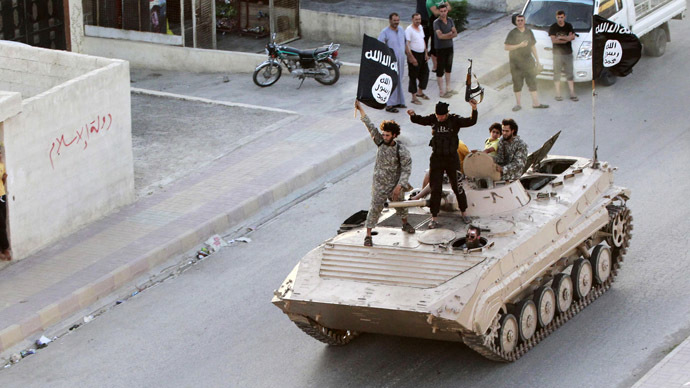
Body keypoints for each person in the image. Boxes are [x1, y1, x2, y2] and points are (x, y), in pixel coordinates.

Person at [408, 100, 477, 227]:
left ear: (447, 114)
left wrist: (474, 108)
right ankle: (434, 217)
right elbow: (421, 120)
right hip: (437, 158)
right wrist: (412, 115)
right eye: (438, 115)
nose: (439, 118)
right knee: (435, 188)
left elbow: (471, 121)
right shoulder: (433, 119)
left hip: (452, 159)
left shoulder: (454, 120)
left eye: (442, 116)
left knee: (458, 186)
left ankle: (464, 212)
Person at [355, 100, 415, 247]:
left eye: (387, 135)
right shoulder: (380, 142)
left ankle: (405, 224)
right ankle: (368, 235)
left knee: (400, 206)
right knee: (375, 207)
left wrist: (400, 186)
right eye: (383, 134)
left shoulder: (400, 150)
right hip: (380, 184)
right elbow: (369, 125)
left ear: (394, 135)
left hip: (394, 184)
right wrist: (360, 108)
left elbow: (407, 168)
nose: (384, 137)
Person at [504, 14, 549, 111]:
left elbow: (533, 46)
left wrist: (538, 60)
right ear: (515, 22)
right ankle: (518, 104)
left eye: (522, 20)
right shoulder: (512, 33)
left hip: (529, 61)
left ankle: (536, 103)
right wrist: (519, 45)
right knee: (517, 83)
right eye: (518, 20)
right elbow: (506, 47)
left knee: (532, 82)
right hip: (515, 63)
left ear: (524, 21)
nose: (520, 22)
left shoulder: (529, 32)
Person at [379, 13, 408, 113]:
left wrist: (411, 57)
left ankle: (399, 101)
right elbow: (380, 47)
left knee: (399, 80)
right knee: (391, 82)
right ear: (390, 20)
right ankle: (389, 104)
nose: (396, 22)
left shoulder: (401, 30)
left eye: (397, 20)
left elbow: (405, 44)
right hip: (390, 61)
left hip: (401, 60)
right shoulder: (385, 32)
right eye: (394, 20)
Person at [549, 10, 578, 101]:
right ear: (556, 17)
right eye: (558, 17)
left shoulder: (569, 26)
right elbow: (554, 40)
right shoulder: (553, 27)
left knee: (569, 73)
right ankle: (558, 94)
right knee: (557, 73)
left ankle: (572, 93)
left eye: (561, 17)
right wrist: (566, 39)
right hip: (557, 54)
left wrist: (561, 37)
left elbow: (572, 37)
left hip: (568, 53)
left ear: (564, 17)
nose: (560, 19)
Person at [433, 4, 458, 98]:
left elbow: (455, 33)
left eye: (445, 11)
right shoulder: (436, 23)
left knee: (448, 68)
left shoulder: (450, 20)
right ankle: (441, 91)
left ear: (447, 11)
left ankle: (448, 89)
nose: (443, 13)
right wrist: (449, 34)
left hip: (449, 47)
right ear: (439, 11)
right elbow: (440, 36)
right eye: (441, 11)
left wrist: (446, 35)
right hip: (440, 49)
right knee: (440, 70)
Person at [406, 13, 430, 105]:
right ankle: (414, 97)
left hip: (422, 54)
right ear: (412, 19)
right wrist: (411, 58)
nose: (418, 21)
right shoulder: (409, 30)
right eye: (416, 19)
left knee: (425, 73)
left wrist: (426, 53)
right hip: (414, 54)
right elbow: (407, 45)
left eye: (419, 19)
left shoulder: (420, 27)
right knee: (413, 76)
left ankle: (420, 92)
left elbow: (423, 40)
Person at [426, 0, 451, 73]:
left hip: (443, 22)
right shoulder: (430, 1)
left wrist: (441, 11)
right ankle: (435, 66)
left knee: (443, 43)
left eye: (444, 11)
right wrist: (444, 10)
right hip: (434, 23)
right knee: (434, 44)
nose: (443, 12)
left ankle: (442, 63)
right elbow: (436, 13)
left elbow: (449, 7)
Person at [0, 146, 10, 261]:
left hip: (1, 195)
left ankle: (5, 248)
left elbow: (2, 182)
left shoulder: (2, 166)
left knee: (3, 222)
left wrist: (4, 178)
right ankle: (4, 248)